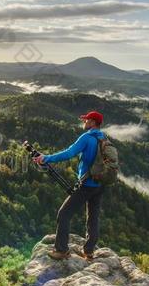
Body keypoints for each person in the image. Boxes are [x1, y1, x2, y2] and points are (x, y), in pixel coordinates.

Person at [33, 111, 106, 261]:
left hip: (86, 184)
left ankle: (61, 250)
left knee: (64, 214)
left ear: (92, 122)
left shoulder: (87, 138)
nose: (84, 122)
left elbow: (69, 153)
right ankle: (89, 251)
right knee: (93, 217)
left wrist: (46, 158)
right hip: (100, 184)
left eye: (86, 120)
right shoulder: (103, 137)